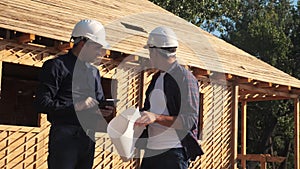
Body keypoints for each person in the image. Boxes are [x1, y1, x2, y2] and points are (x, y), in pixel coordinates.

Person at [33, 19, 114, 169]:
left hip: (87, 137)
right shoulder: (56, 66)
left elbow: (98, 101)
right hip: (64, 137)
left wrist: (102, 110)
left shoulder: (94, 72)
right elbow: (41, 103)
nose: (99, 52)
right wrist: (77, 106)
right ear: (82, 43)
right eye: (97, 47)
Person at [134, 26, 204, 169]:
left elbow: (189, 121)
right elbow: (150, 111)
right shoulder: (157, 78)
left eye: (149, 51)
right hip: (152, 152)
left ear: (155, 51)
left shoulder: (185, 78)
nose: (149, 55)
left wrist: (156, 117)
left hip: (173, 154)